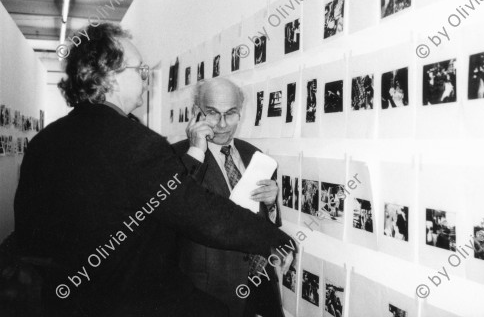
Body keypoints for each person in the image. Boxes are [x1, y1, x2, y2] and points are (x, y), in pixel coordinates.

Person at [13, 23, 294, 317]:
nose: (146, 81)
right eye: (140, 70)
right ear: (110, 76)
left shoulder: (44, 142)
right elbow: (199, 212)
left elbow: (29, 235)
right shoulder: (135, 143)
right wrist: (272, 239)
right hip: (128, 301)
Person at [172, 77, 285, 317]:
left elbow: (265, 224)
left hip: (260, 285)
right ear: (196, 113)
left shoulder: (253, 154)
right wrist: (196, 151)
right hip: (210, 292)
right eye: (213, 113)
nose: (222, 124)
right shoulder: (177, 156)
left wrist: (270, 204)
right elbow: (176, 211)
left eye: (231, 113)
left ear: (240, 114)